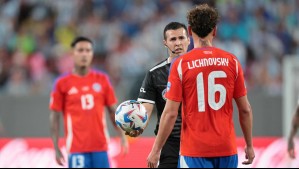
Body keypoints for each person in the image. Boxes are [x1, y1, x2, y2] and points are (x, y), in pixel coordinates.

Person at [147, 4, 255, 168]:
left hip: (194, 150)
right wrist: (249, 144)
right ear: (215, 30)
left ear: (189, 31)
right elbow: (245, 109)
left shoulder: (181, 65)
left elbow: (170, 113)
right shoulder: (232, 61)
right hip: (227, 148)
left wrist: (156, 150)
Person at [49, 37, 128, 168]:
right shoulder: (62, 83)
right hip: (76, 148)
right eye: (80, 50)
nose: (84, 54)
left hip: (100, 147)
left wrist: (122, 136)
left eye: (88, 50)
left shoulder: (102, 79)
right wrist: (56, 147)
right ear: (73, 54)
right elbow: (54, 117)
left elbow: (113, 111)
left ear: (92, 54)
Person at [127, 22, 190, 168]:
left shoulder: (199, 69)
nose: (178, 43)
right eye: (173, 39)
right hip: (170, 141)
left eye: (181, 38)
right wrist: (138, 127)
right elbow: (145, 110)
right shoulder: (155, 74)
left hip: (197, 139)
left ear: (188, 40)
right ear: (165, 43)